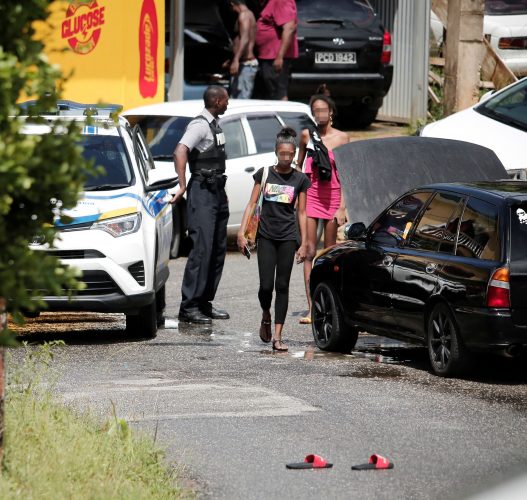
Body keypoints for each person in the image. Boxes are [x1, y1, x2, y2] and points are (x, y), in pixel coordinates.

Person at [237, 127, 309, 351]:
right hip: (266, 236)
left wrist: (304, 242)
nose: (286, 158)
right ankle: (266, 313)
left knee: (283, 285)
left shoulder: (300, 179)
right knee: (266, 286)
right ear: (276, 152)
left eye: (290, 154)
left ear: (295, 153)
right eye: (282, 154)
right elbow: (251, 204)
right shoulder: (265, 173)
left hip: (288, 237)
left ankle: (278, 336)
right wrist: (241, 232)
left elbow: (302, 213)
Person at [172, 85, 230, 324]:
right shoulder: (199, 124)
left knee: (217, 250)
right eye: (226, 100)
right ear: (217, 101)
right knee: (202, 249)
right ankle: (189, 306)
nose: (228, 103)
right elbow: (180, 151)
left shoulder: (215, 123)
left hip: (217, 190)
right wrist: (183, 184)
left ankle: (205, 302)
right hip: (202, 191)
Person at [296, 93, 349, 324]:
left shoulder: (342, 138)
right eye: (315, 110)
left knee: (328, 253)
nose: (319, 114)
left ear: (331, 112)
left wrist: (342, 208)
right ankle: (311, 307)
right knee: (308, 250)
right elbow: (298, 166)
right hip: (311, 195)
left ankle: (330, 303)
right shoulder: (307, 135)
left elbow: (347, 175)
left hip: (333, 197)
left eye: (323, 110)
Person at [255, 0, 298, 100]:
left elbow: (290, 28)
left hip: (275, 57)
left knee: (278, 93)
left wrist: (280, 57)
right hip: (269, 56)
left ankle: (282, 114)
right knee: (272, 92)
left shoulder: (281, 1)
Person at [226, 0, 258, 99]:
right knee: (236, 99)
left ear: (232, 4)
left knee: (242, 100)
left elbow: (245, 39)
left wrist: (236, 60)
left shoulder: (243, 15)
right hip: (243, 64)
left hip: (246, 65)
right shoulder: (249, 14)